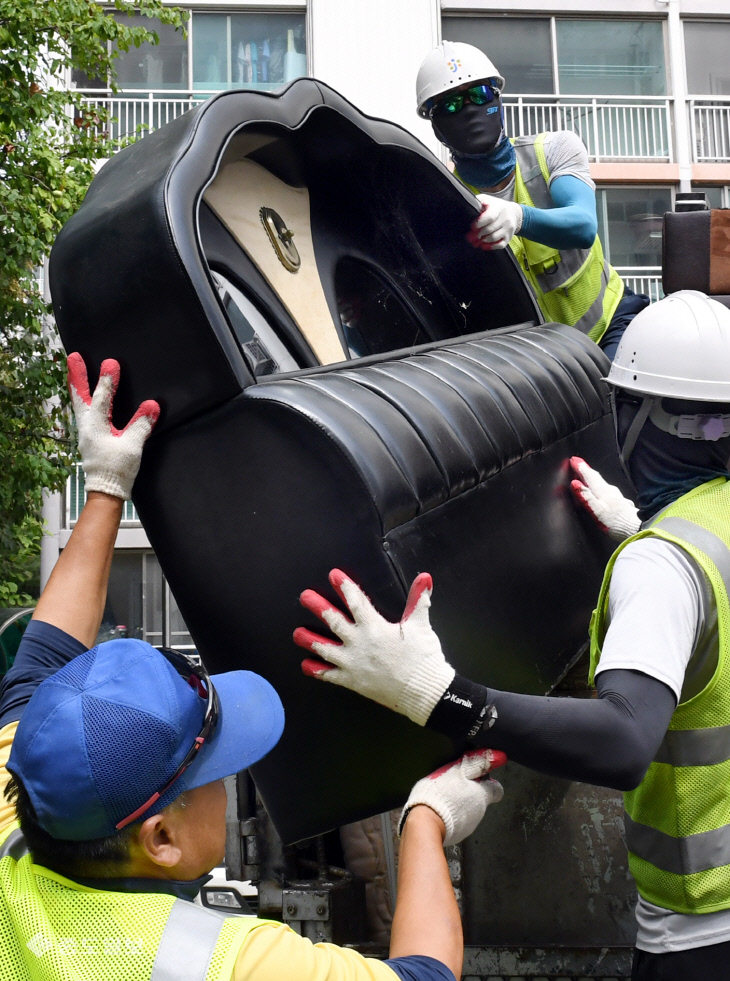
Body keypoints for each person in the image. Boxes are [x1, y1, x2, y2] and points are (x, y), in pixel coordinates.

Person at [0, 353, 505, 981]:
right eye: (213, 767)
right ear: (160, 840)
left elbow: (40, 659)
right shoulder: (224, 965)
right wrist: (427, 821)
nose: (230, 775)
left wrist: (106, 483)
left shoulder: (28, 821)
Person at [294, 291, 730, 979]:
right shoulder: (706, 532)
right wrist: (645, 529)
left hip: (705, 932)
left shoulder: (667, 564)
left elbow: (623, 740)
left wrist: (442, 695)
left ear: (639, 415)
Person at [415, 40, 650, 358]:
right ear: (435, 124)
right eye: (451, 105)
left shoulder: (554, 150)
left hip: (612, 326)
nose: (469, 109)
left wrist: (519, 217)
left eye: (480, 95)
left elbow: (582, 227)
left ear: (498, 99)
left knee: (622, 403)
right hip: (543, 365)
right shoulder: (445, 202)